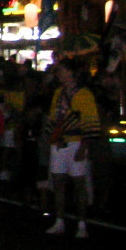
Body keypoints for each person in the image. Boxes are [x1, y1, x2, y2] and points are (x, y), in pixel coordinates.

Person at [44, 59, 99, 239]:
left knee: (78, 183)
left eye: (61, 71)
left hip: (76, 141)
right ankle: (59, 220)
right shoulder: (58, 93)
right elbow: (53, 117)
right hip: (59, 142)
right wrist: (51, 136)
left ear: (70, 73)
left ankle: (81, 223)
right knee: (58, 182)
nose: (58, 74)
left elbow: (90, 122)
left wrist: (84, 146)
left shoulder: (84, 94)